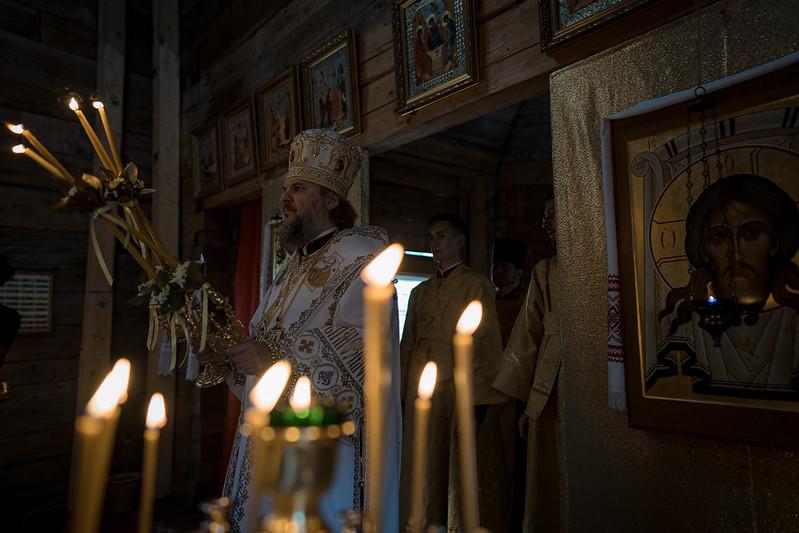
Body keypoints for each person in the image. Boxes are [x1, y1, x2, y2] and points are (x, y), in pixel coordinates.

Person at [208, 129, 401, 533]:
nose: (284, 198)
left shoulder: (362, 260)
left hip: (328, 454)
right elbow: (262, 353)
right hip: (267, 444)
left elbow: (368, 371)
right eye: (284, 189)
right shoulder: (289, 270)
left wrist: (276, 363)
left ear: (331, 199)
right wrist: (230, 356)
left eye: (298, 188)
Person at [399, 213, 511, 532]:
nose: (434, 243)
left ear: (459, 240)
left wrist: (477, 401)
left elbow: (486, 343)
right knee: (422, 463)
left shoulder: (476, 285)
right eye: (431, 237)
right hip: (419, 384)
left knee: (453, 466)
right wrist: (402, 392)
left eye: (441, 236)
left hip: (456, 387)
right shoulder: (420, 291)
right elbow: (408, 341)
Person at [657, 173, 799, 396]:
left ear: (774, 243)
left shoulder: (794, 323)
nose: (735, 251)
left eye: (750, 233)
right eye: (720, 236)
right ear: (704, 250)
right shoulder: (685, 331)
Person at [492, 193, 562, 533]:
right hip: (548, 381)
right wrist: (526, 405)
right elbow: (529, 336)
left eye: (554, 215)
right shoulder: (546, 270)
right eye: (545, 217)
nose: (546, 223)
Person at [491, 237, 529, 347]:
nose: (497, 270)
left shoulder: (528, 301)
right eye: (495, 266)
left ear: (519, 273)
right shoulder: (485, 298)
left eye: (504, 266)